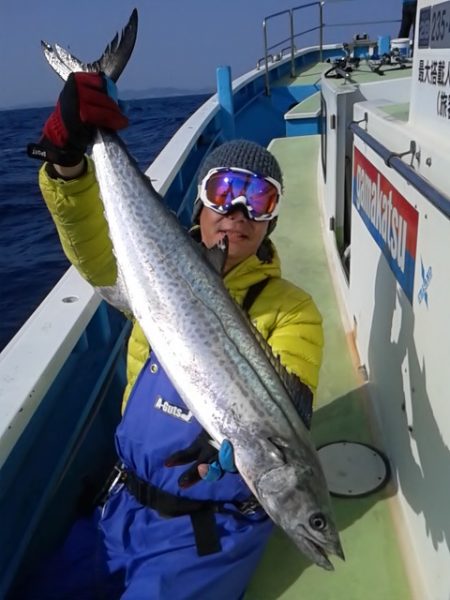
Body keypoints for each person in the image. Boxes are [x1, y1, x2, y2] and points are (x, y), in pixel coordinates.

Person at [20, 73, 324, 599]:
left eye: (259, 200)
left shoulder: (294, 311)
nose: (238, 212)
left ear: (271, 221)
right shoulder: (150, 264)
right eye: (223, 191)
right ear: (199, 206)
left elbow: (291, 398)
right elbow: (92, 246)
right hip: (116, 510)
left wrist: (251, 444)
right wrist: (67, 164)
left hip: (206, 531)